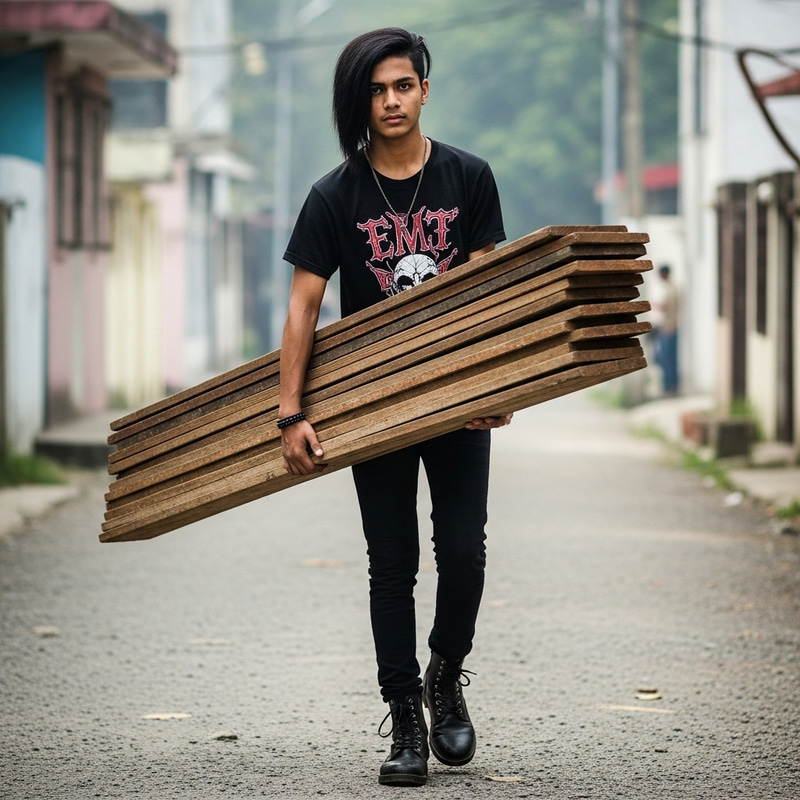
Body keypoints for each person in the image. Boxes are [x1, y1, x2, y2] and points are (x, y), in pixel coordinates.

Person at [278, 27, 511, 787]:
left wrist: (494, 386)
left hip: (455, 404)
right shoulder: (334, 194)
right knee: (391, 566)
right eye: (376, 90)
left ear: (424, 90)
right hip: (367, 407)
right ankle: (406, 716)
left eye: (402, 85)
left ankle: (446, 673)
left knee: (466, 555)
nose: (390, 101)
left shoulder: (468, 178)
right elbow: (303, 311)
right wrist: (291, 414)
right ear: (361, 101)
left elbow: (485, 295)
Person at [653, 264, 679, 395]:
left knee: (667, 359)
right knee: (670, 359)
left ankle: (669, 386)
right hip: (670, 327)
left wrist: (651, 304)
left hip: (668, 328)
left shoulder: (670, 289)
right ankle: (672, 385)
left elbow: (665, 306)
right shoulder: (673, 288)